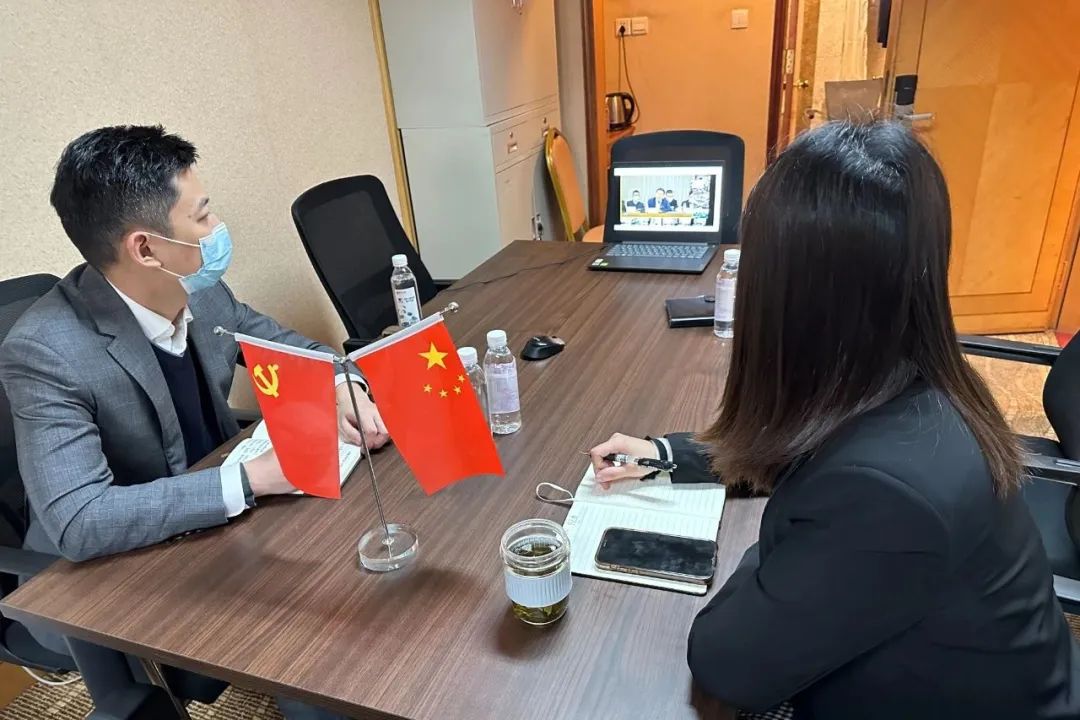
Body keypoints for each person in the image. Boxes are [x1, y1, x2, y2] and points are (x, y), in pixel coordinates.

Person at [589, 122, 1079, 720]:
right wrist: (668, 455)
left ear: (792, 296)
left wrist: (777, 552)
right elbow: (803, 440)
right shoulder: (905, 378)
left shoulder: (882, 494)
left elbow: (726, 663)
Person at [0, 125, 385, 720]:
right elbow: (79, 519)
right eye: (202, 216)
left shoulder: (200, 291)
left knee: (371, 591)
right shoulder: (45, 351)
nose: (217, 228)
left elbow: (292, 350)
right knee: (320, 664)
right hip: (113, 564)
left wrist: (343, 385)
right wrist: (251, 478)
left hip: (225, 514)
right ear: (145, 249)